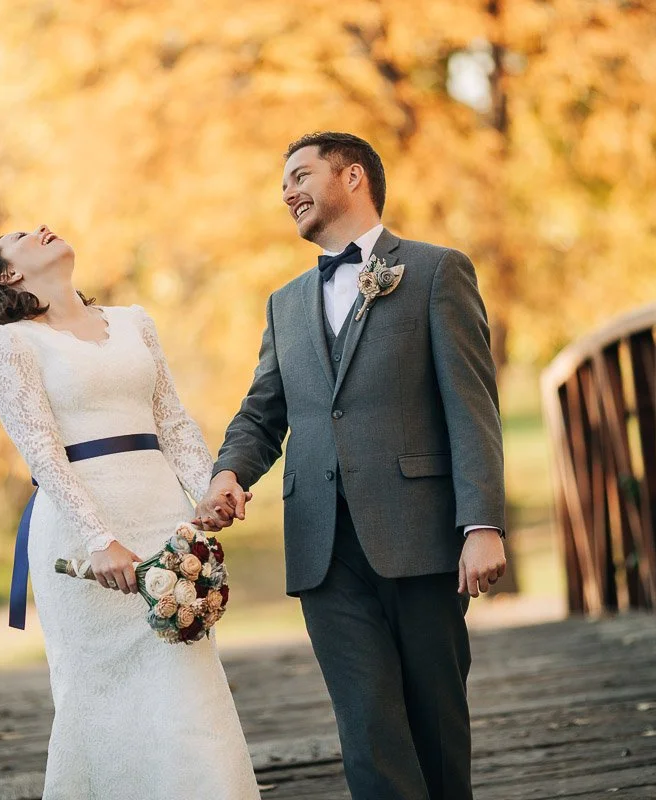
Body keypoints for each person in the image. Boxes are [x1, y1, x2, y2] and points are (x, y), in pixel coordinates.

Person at [196, 132, 508, 800]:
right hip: (322, 547)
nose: (288, 193)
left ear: (354, 176)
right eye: (283, 184)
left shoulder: (435, 272)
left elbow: (472, 406)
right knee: (366, 727)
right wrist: (229, 472)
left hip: (420, 537)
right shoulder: (283, 305)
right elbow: (262, 411)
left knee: (436, 726)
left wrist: (481, 523)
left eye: (301, 176)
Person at [0, 225, 259, 799]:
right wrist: (97, 538)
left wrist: (209, 489)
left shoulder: (135, 322)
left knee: (187, 679)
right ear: (9, 276)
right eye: (22, 236)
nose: (42, 228)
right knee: (97, 695)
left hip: (162, 518)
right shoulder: (11, 344)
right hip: (84, 531)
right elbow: (42, 453)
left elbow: (172, 420)